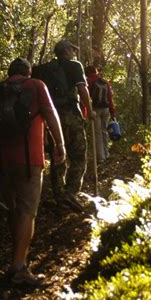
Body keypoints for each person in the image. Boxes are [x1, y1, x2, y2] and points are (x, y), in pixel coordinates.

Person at [0, 57, 66, 288]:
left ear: (9, 73)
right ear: (27, 72)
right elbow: (50, 114)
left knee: (13, 209)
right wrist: (60, 145)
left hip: (2, 161)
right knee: (28, 211)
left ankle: (19, 257)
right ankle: (18, 266)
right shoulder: (37, 86)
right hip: (30, 160)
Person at [34, 39, 95, 212]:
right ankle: (71, 192)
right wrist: (90, 111)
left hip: (51, 118)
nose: (74, 52)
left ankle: (60, 195)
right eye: (72, 49)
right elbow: (82, 89)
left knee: (57, 156)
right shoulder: (75, 66)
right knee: (78, 155)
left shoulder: (44, 70)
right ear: (66, 51)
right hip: (70, 115)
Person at [85, 64, 116, 163]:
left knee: (97, 132)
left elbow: (85, 97)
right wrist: (112, 113)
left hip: (95, 109)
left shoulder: (88, 81)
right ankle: (106, 154)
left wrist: (87, 111)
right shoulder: (104, 82)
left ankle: (101, 157)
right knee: (104, 131)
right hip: (106, 109)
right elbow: (110, 98)